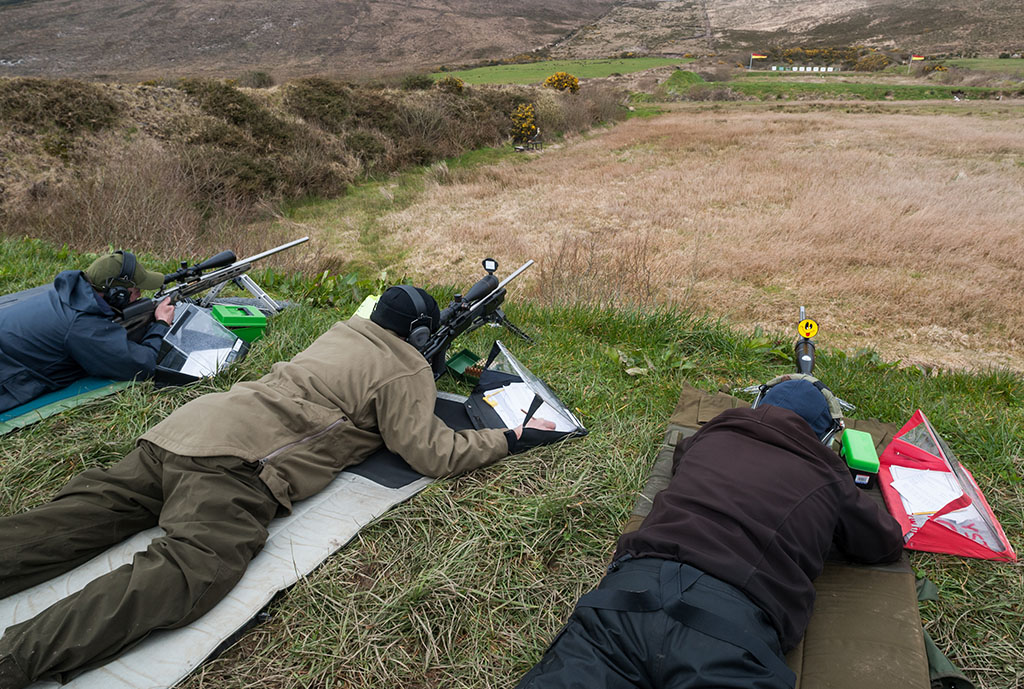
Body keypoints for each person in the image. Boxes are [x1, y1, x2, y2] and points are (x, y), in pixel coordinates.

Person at [0, 285, 554, 689]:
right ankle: (14, 660)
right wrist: (508, 439)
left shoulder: (340, 332)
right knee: (194, 566)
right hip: (234, 463)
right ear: (419, 337)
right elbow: (433, 452)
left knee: (68, 522)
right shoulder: (404, 368)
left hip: (181, 432)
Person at [516, 379, 904, 689]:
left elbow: (682, 460)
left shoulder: (713, 434)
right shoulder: (828, 473)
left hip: (629, 595)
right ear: (825, 438)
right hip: (732, 625)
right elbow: (883, 543)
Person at [0, 251, 175, 413]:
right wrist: (161, 323)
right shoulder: (82, 326)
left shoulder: (67, 293)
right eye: (136, 291)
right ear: (117, 294)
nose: (140, 295)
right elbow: (143, 365)